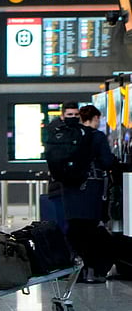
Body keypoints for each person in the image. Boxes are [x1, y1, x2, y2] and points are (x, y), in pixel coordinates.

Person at [62, 105, 114, 283]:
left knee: (74, 230)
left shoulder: (67, 135)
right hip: (90, 190)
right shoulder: (96, 136)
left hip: (69, 190)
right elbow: (107, 161)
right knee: (90, 230)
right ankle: (92, 270)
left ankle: (75, 270)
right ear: (95, 118)